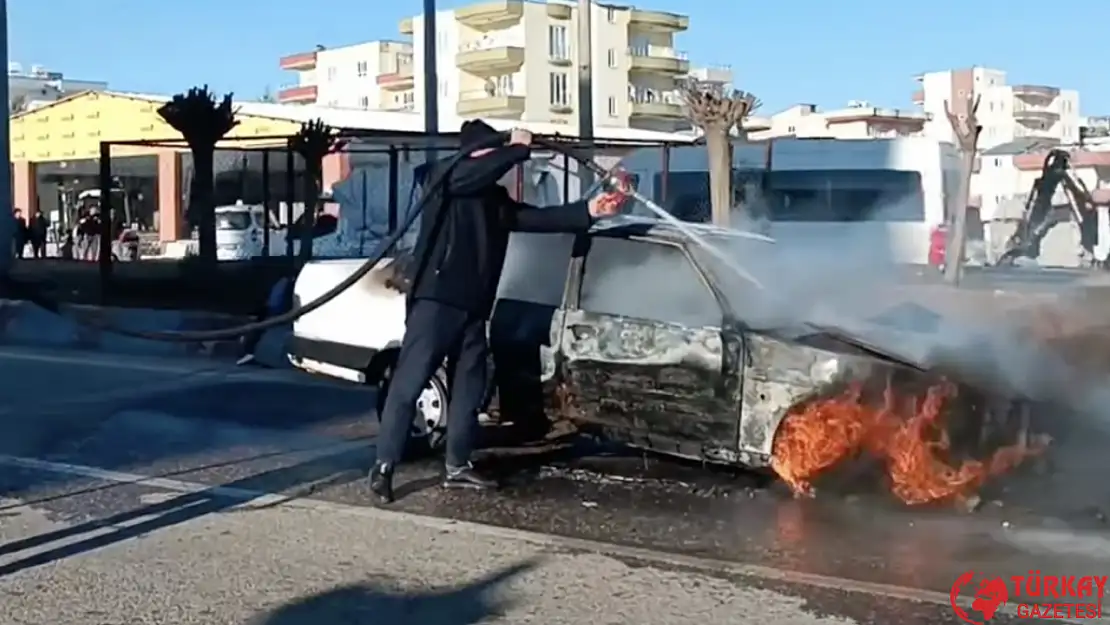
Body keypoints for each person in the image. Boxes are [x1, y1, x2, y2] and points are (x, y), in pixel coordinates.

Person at [369, 121, 627, 504]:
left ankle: (457, 466)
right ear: (475, 153)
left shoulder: (492, 201)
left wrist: (590, 209)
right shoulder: (445, 180)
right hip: (436, 302)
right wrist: (516, 149)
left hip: (474, 308)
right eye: (491, 155)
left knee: (469, 390)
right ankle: (385, 466)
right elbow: (471, 173)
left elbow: (536, 219)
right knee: (409, 383)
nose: (496, 164)